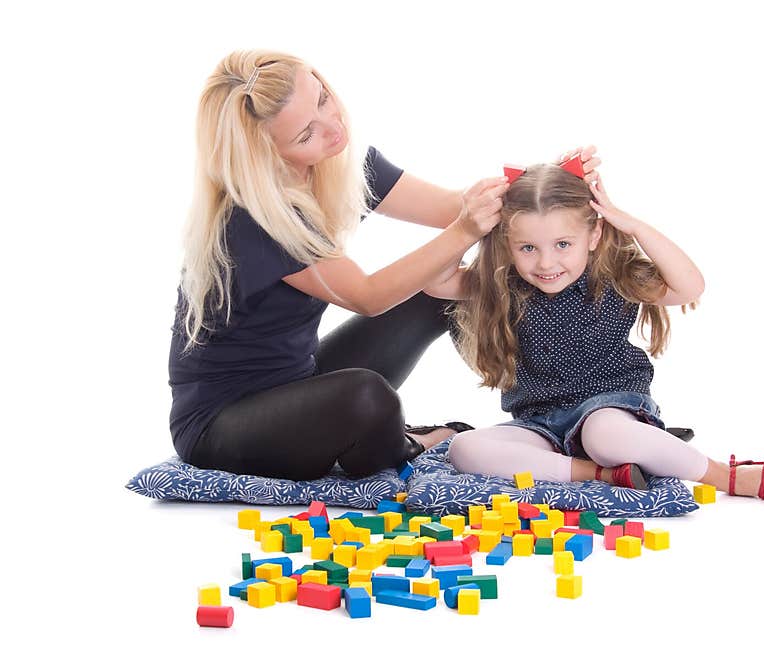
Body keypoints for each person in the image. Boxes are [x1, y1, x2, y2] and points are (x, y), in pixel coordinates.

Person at [168, 49, 519, 481]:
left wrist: (550, 186)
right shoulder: (254, 217)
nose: (333, 127)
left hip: (300, 378)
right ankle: (404, 445)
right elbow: (366, 296)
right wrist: (465, 232)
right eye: (305, 135)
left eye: (322, 98)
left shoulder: (343, 165)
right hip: (221, 422)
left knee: (436, 293)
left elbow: (453, 208)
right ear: (269, 156)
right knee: (367, 397)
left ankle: (541, 408)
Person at [426, 159, 764, 502]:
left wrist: (629, 223)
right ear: (507, 243)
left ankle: (719, 474)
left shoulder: (613, 277)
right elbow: (436, 282)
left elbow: (689, 287)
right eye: (527, 247)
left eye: (563, 244)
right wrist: (469, 227)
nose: (546, 262)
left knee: (604, 436)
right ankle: (597, 474)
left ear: (595, 234)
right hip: (540, 424)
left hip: (609, 409)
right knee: (466, 449)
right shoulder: (505, 282)